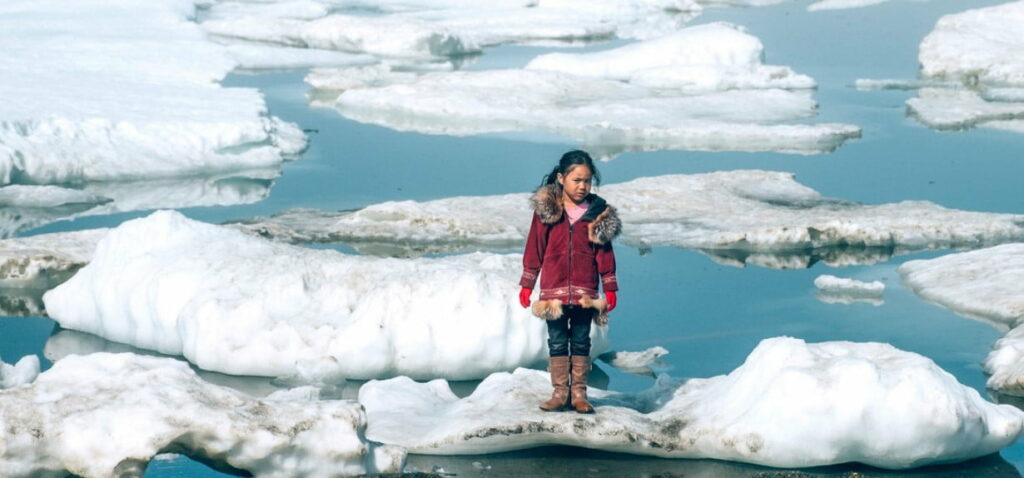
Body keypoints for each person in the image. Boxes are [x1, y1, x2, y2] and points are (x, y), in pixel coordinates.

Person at [518, 150, 621, 414]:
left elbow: (604, 252)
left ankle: (579, 394)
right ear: (562, 178)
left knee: (581, 339)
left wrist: (609, 285)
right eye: (577, 180)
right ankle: (559, 392)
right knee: (557, 339)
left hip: (586, 289)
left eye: (587, 181)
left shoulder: (598, 212)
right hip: (554, 288)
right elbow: (535, 247)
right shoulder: (547, 209)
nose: (582, 186)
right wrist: (528, 282)